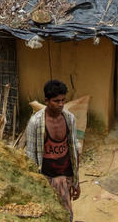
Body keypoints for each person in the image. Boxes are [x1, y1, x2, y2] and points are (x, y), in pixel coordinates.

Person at [25, 79, 81, 220]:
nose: (61, 104)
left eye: (63, 100)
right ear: (47, 101)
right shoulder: (35, 123)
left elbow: (74, 150)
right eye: (56, 101)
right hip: (46, 178)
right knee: (48, 215)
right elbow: (30, 157)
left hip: (66, 176)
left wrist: (76, 182)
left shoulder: (70, 119)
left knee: (65, 215)